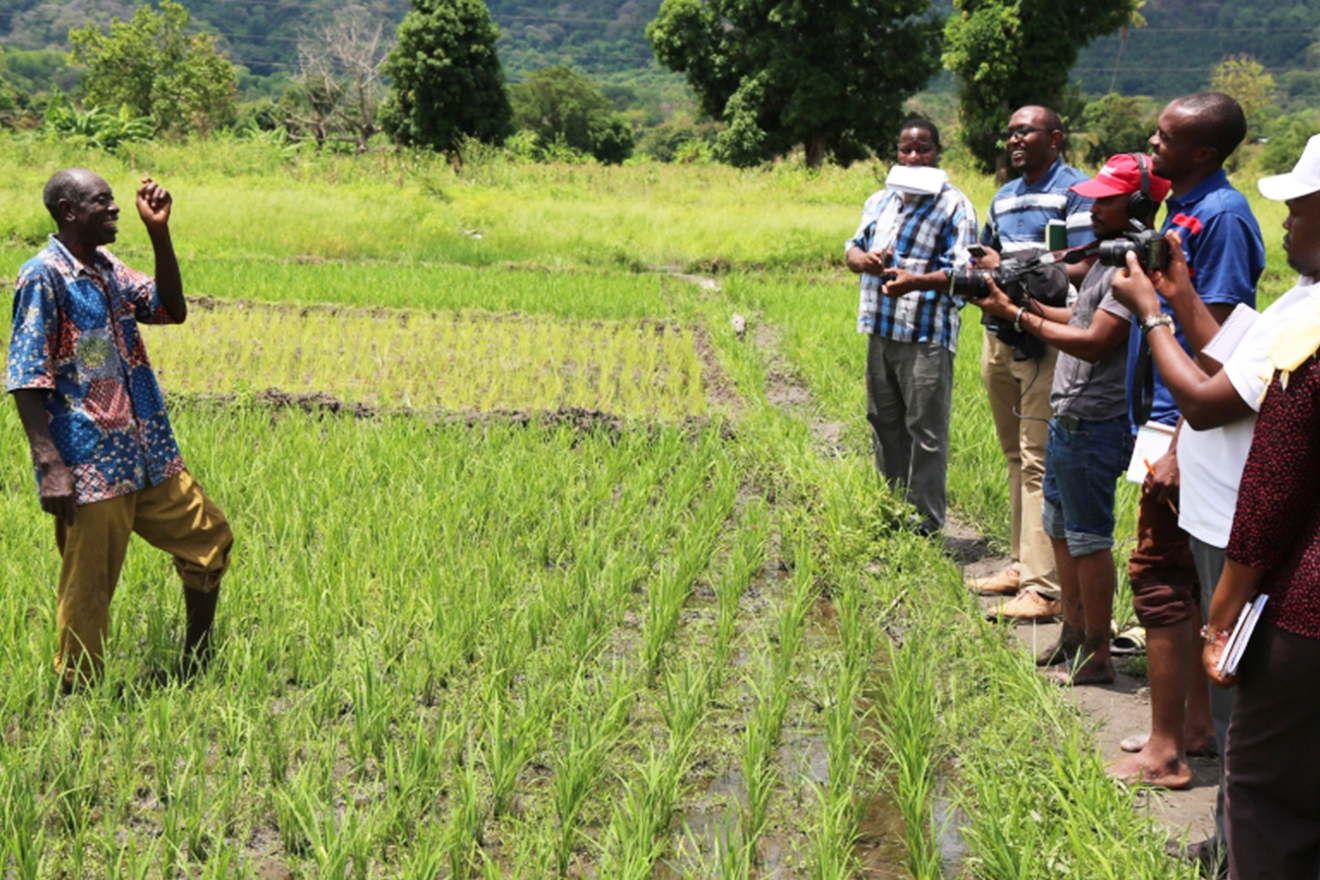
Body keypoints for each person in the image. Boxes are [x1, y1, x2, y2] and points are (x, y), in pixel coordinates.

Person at [1113, 133, 1320, 870]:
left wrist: (1152, 314)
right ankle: (1233, 839)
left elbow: (1211, 405)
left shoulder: (1312, 323)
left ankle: (1243, 847)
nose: (1286, 228)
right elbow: (1236, 358)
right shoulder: (1301, 301)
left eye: (1299, 211)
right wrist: (1182, 297)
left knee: (1254, 743)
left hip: (1271, 556)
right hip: (1235, 524)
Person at [7, 169, 233, 687]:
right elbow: (25, 375)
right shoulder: (43, 277)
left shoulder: (107, 268)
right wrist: (50, 466)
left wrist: (160, 233)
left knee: (208, 540)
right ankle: (79, 701)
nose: (114, 209)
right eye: (101, 202)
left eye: (114, 201)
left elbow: (170, 310)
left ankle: (196, 664)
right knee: (88, 590)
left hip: (149, 452)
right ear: (68, 211)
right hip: (89, 466)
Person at [1107, 93, 1265, 790]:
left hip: (1186, 423)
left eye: (1166, 137)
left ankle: (1168, 749)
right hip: (1172, 417)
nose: (1154, 143)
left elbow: (1217, 334)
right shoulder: (1183, 205)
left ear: (1204, 150)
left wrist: (1175, 443)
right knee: (1178, 578)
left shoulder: (1224, 217)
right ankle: (1194, 727)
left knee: (1161, 577)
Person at [973, 154, 1170, 683]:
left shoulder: (1136, 266)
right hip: (1068, 418)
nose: (1091, 205)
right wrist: (1008, 305)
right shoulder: (1106, 259)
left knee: (1087, 538)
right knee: (1060, 528)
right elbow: (1078, 315)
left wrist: (1017, 316)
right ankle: (1075, 635)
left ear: (1135, 204)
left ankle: (1098, 655)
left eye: (1105, 198)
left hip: (1095, 423)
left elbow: (1093, 340)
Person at [1202, 203, 1320, 877]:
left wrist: (1222, 616)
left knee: (1269, 801)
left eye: (1299, 213)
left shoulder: (1310, 337)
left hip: (1308, 619)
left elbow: (1275, 492)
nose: (1286, 227)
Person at [968, 105, 1094, 621]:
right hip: (1000, 336)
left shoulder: (1076, 193)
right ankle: (1021, 565)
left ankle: (1043, 591)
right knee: (1015, 456)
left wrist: (1010, 268)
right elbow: (992, 255)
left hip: (1046, 338)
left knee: (1039, 460)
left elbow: (1081, 267)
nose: (1015, 139)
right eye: (1011, 132)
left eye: (1027, 131)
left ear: (1055, 137)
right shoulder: (1004, 195)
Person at [845, 120, 978, 535]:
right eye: (906, 149)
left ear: (939, 151)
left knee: (925, 431)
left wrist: (916, 281)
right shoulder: (880, 201)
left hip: (926, 335)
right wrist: (864, 260)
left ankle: (924, 524)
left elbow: (967, 274)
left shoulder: (955, 206)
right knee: (883, 423)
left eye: (923, 148)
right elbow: (852, 247)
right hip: (880, 329)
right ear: (897, 153)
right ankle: (892, 511)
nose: (914, 157)